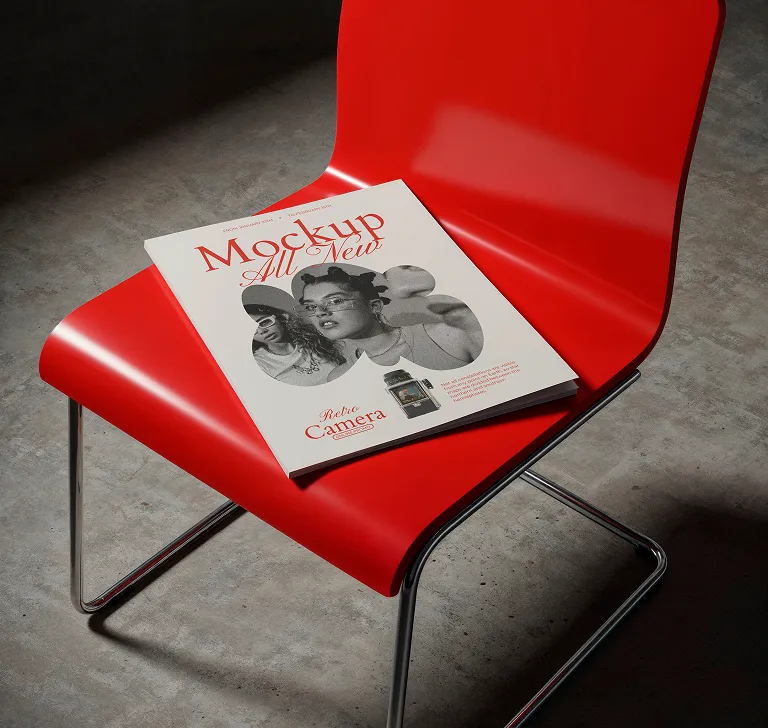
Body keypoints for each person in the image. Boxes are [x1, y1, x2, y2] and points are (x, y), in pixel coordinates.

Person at [297, 266, 483, 370]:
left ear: (374, 306)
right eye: (311, 307)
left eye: (335, 301)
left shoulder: (449, 337)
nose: (320, 312)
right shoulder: (339, 377)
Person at [244, 303, 347, 386]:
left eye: (264, 323)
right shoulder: (259, 364)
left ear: (282, 318)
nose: (262, 331)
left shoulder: (312, 339)